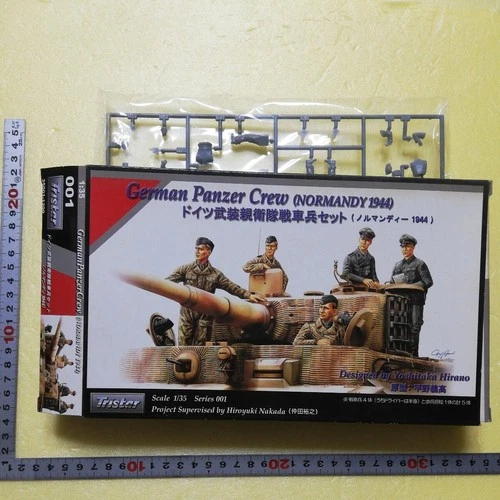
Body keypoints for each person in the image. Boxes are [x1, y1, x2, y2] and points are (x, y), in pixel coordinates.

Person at [166, 237, 265, 345]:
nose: (197, 252)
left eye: (201, 249)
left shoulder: (215, 274)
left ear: (209, 252)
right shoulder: (185, 269)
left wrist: (248, 295)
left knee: (202, 346)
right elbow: (167, 283)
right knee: (183, 345)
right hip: (187, 313)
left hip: (205, 313)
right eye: (196, 248)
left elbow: (231, 286)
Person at [390, 234, 433, 356]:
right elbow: (392, 282)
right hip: (400, 302)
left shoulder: (420, 264)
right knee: (400, 325)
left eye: (407, 246)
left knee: (414, 326)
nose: (405, 249)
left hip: (415, 301)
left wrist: (413, 286)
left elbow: (428, 281)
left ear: (413, 247)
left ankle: (414, 354)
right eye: (402, 246)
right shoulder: (397, 266)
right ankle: (402, 353)